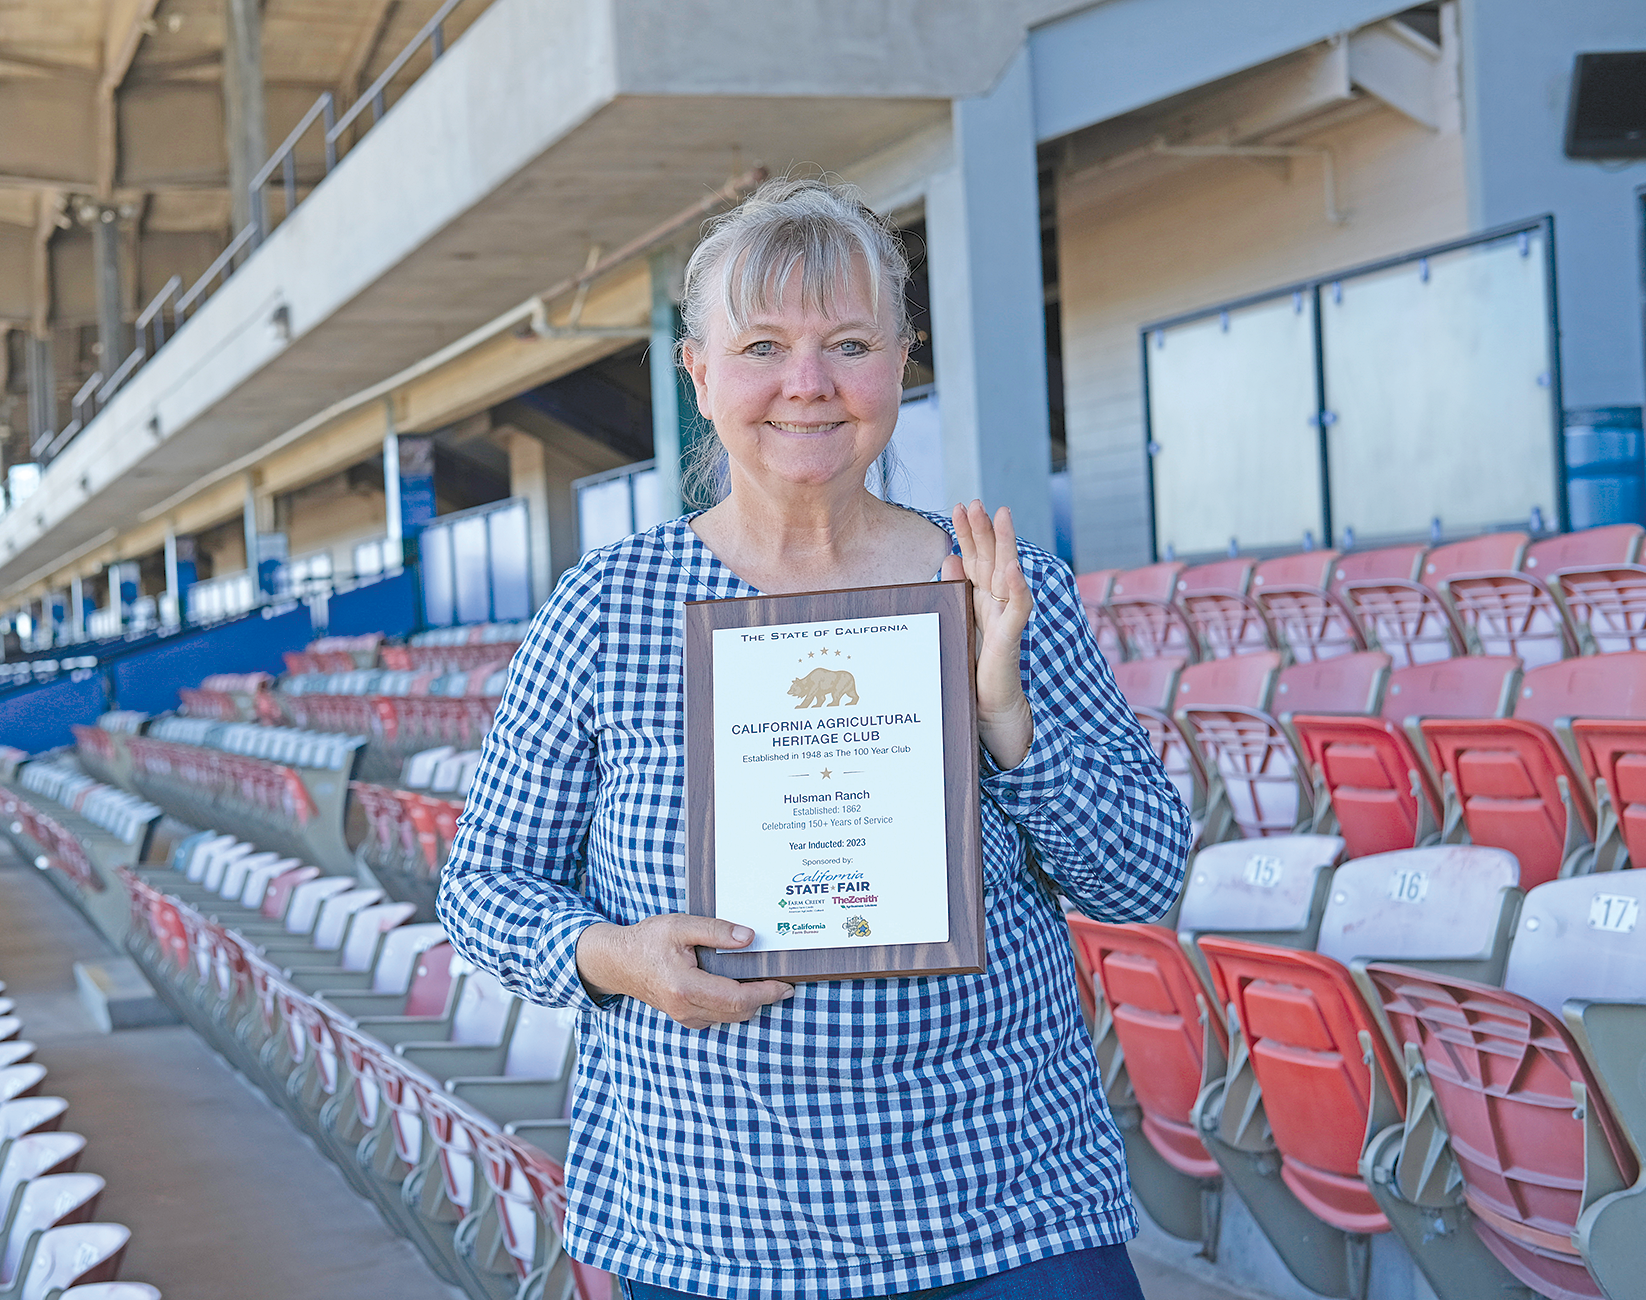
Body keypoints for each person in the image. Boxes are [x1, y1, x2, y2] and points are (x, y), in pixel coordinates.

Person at [439, 177, 1190, 1299]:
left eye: (849, 341)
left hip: (1004, 1207)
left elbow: (1144, 878)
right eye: (761, 345)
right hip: (713, 1223)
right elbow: (484, 887)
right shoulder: (607, 609)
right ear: (699, 374)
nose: (808, 384)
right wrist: (613, 956)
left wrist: (1005, 718)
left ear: (901, 363)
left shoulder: (995, 583)